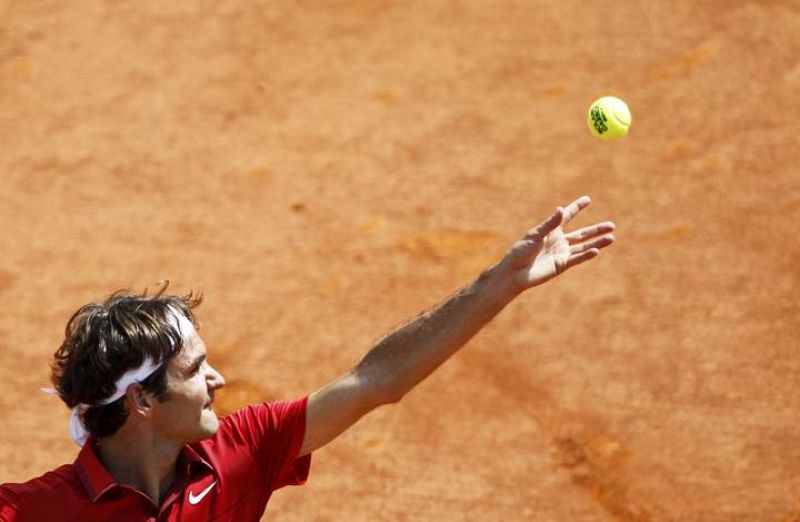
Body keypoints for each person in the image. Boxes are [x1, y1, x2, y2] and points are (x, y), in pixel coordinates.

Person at [0, 196, 615, 521]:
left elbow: (376, 380)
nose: (218, 380)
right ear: (141, 399)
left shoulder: (238, 453)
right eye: (194, 370)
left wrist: (499, 284)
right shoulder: (36, 511)